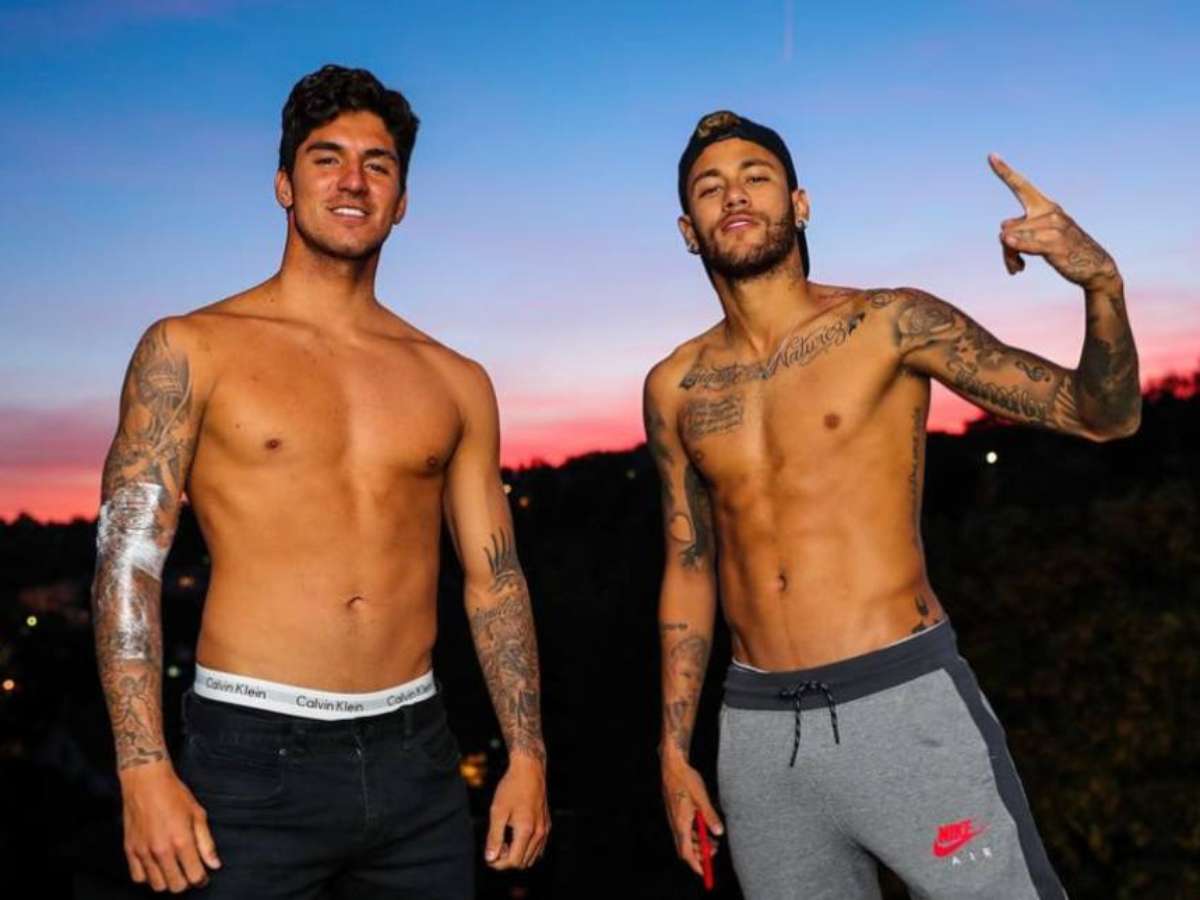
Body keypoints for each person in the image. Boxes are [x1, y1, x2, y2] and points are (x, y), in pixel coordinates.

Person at [645, 109, 1139, 899]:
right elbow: (688, 564)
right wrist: (674, 752)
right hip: (760, 738)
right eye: (710, 188)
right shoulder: (675, 386)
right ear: (687, 230)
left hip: (903, 703)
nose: (734, 195)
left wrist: (1101, 283)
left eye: (756, 178)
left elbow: (1102, 415)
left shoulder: (889, 324)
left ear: (799, 204)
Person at [90, 64, 549, 898]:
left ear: (401, 200)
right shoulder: (190, 349)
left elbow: (496, 580)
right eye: (326, 158)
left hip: (417, 759)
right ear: (284, 184)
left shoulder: (454, 380)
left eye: (378, 164)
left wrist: (527, 755)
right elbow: (128, 563)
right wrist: (142, 766)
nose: (352, 181)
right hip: (250, 755)